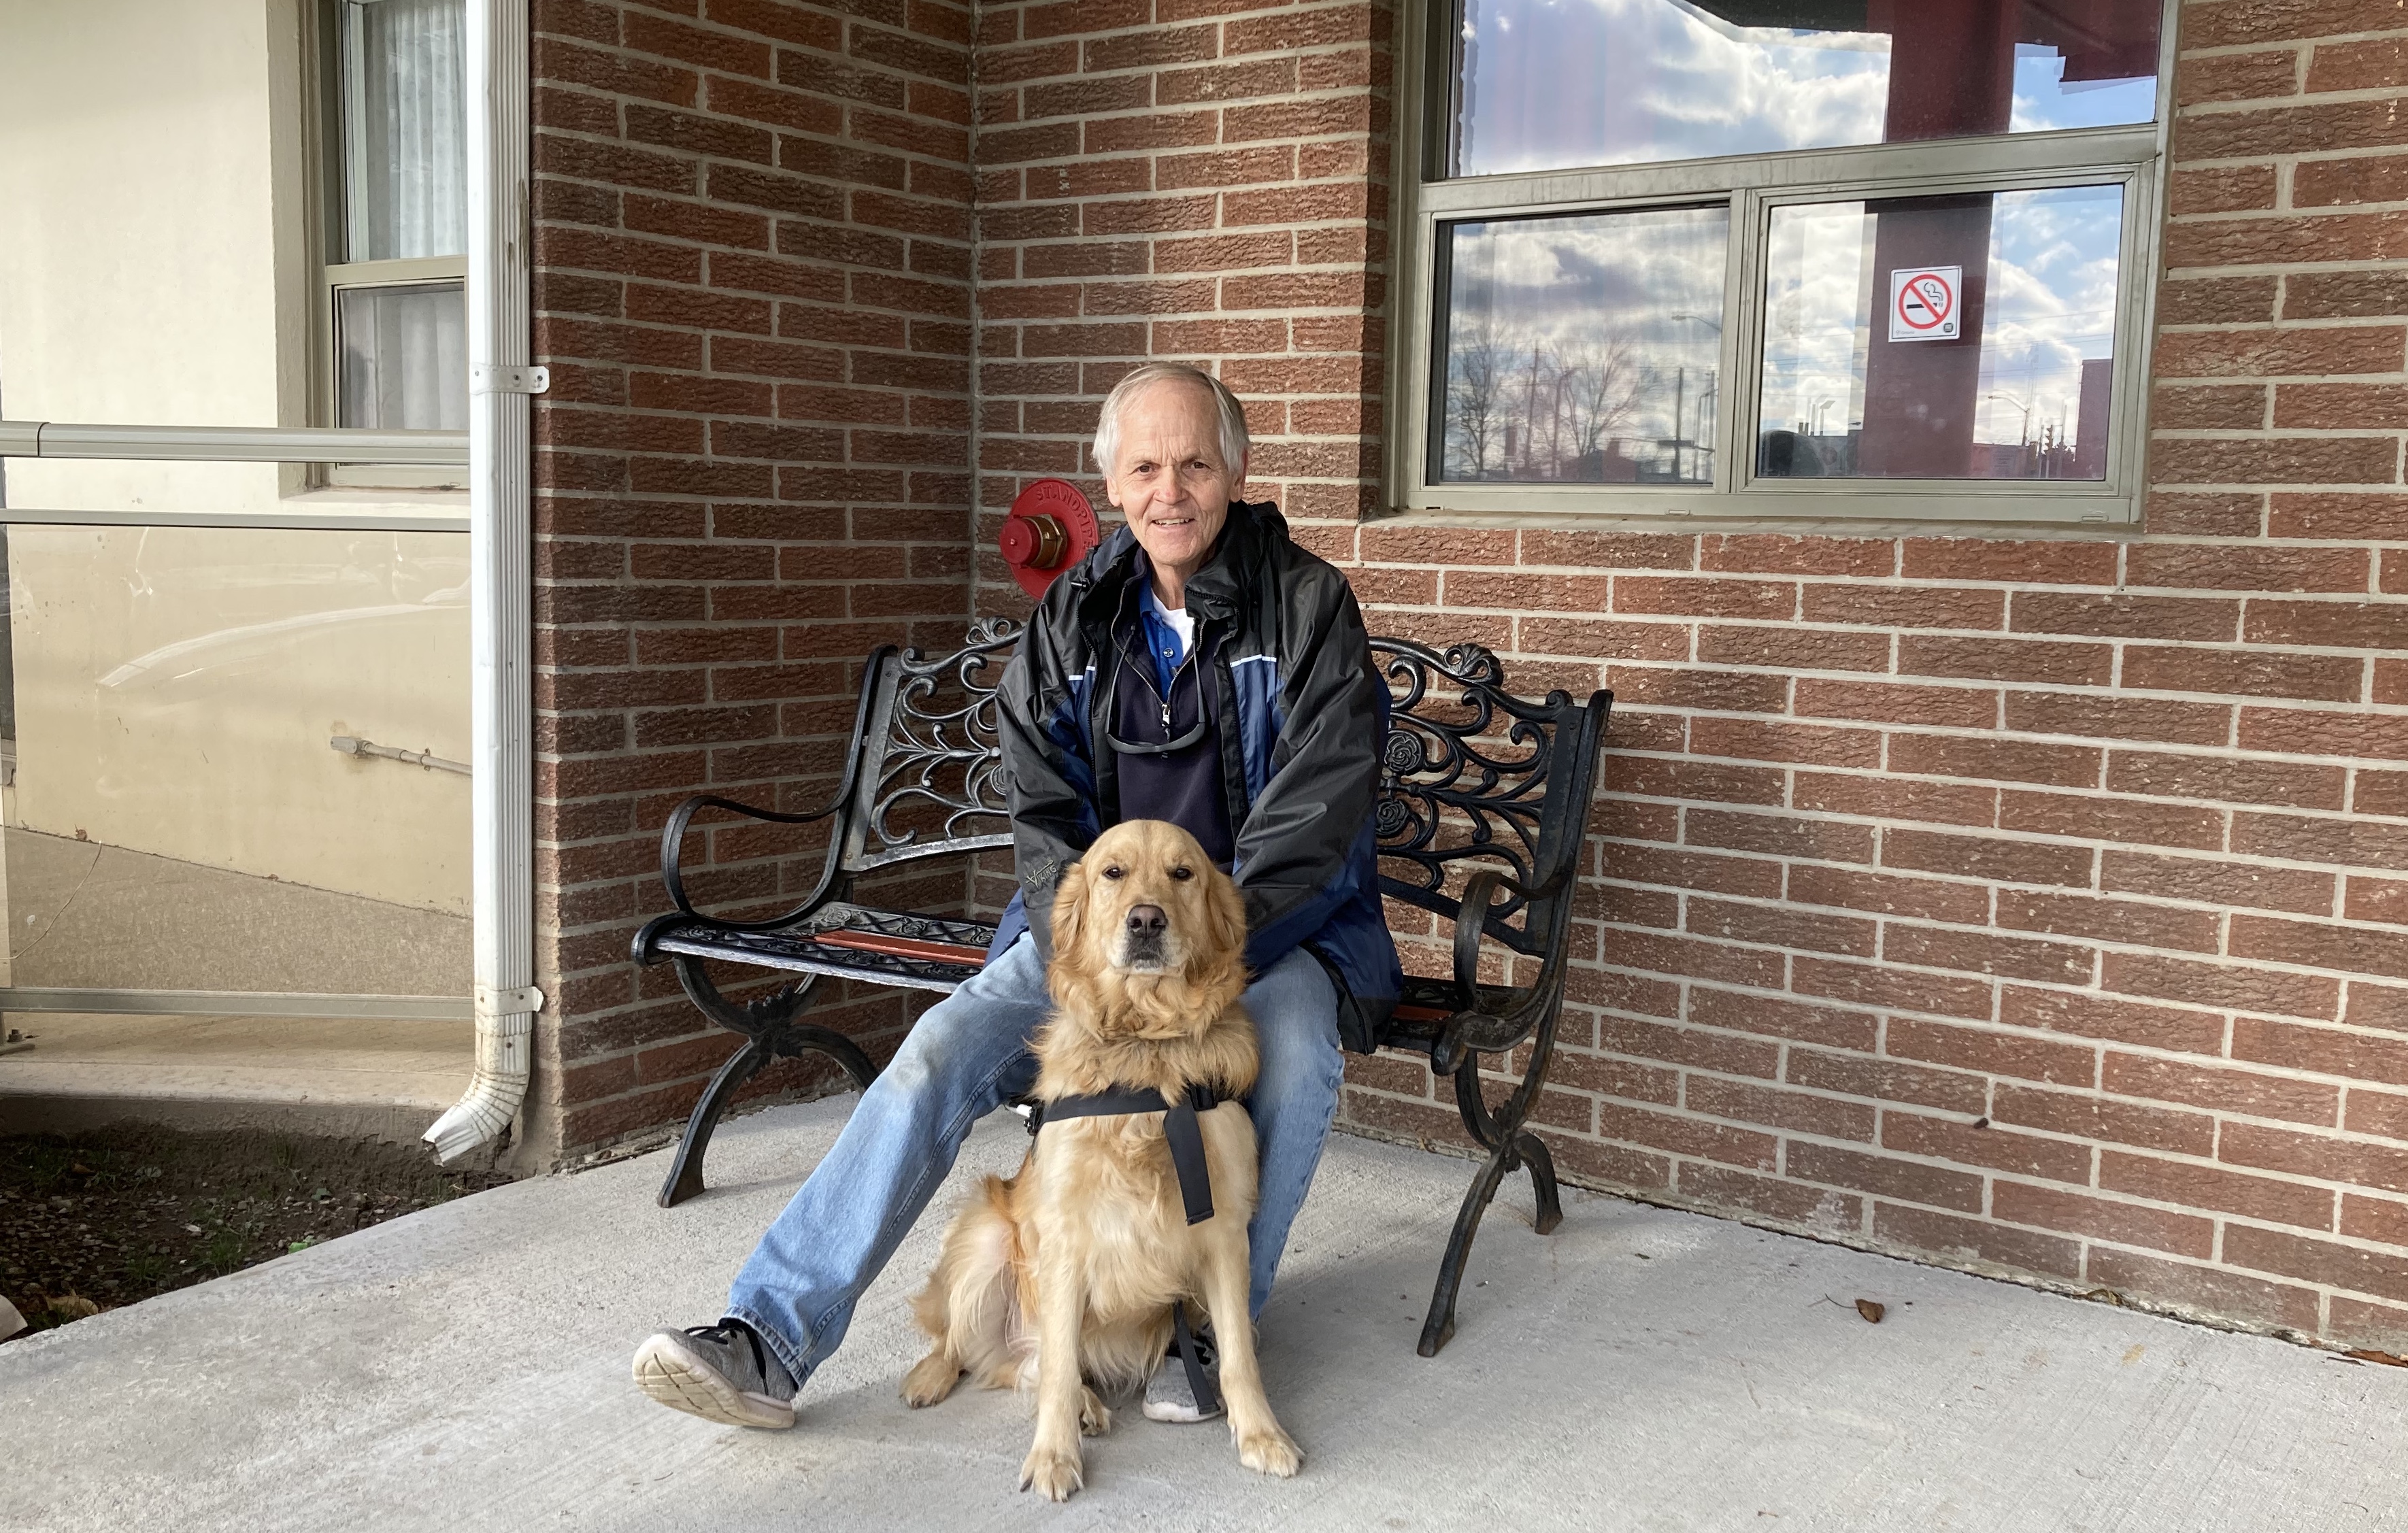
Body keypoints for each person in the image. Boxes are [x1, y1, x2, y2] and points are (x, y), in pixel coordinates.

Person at [632, 361, 1402, 1431]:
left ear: (1235, 469)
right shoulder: (1073, 623)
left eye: (1193, 464)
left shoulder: (1310, 607)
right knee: (943, 1049)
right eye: (1144, 467)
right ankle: (768, 1331)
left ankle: (1210, 1335)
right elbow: (1042, 816)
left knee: (1300, 1046)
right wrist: (1080, 954)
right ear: (1113, 483)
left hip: (1268, 938)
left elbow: (1316, 815)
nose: (1168, 491)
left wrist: (1208, 955)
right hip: (1089, 946)